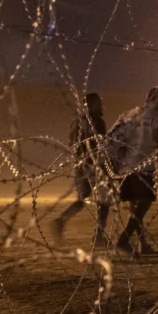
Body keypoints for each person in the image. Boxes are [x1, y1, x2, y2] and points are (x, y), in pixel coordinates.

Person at [106, 86, 158, 255]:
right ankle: (123, 240)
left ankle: (143, 243)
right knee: (143, 204)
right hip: (143, 168)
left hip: (124, 168)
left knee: (136, 207)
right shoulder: (157, 121)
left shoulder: (129, 115)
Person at [51, 92, 111, 246]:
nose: (101, 106)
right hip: (94, 166)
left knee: (82, 199)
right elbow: (101, 145)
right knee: (104, 202)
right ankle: (98, 236)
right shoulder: (97, 122)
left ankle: (61, 220)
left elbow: (72, 144)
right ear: (91, 105)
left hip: (80, 166)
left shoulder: (76, 122)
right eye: (98, 103)